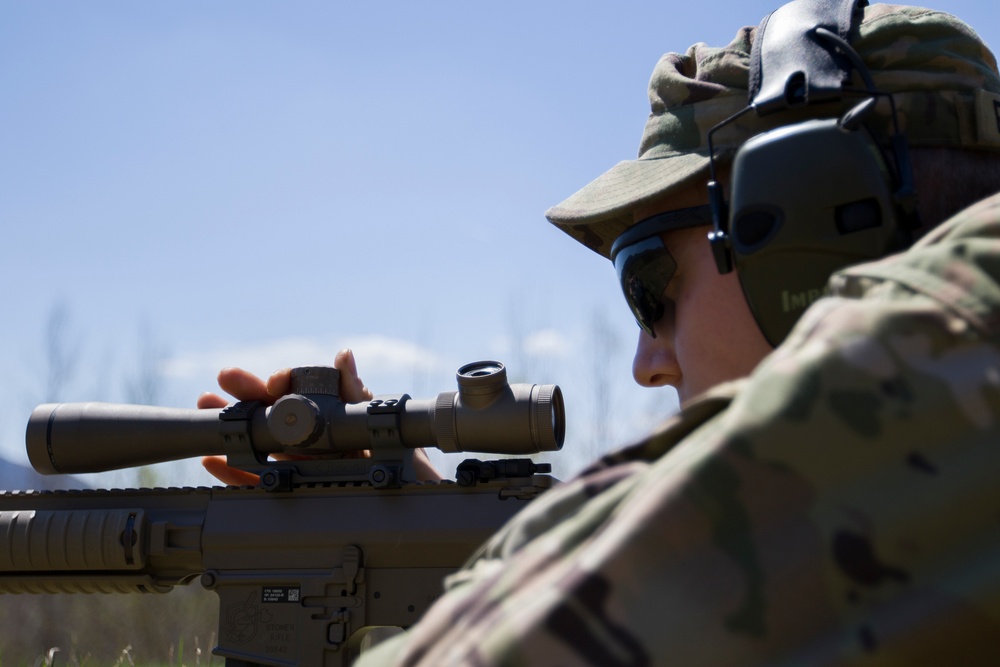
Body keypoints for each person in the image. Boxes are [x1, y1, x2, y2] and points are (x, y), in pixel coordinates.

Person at [201, 1, 1000, 664]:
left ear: (814, 222)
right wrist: (412, 527)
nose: (647, 364)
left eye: (648, 284)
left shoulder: (955, 340)